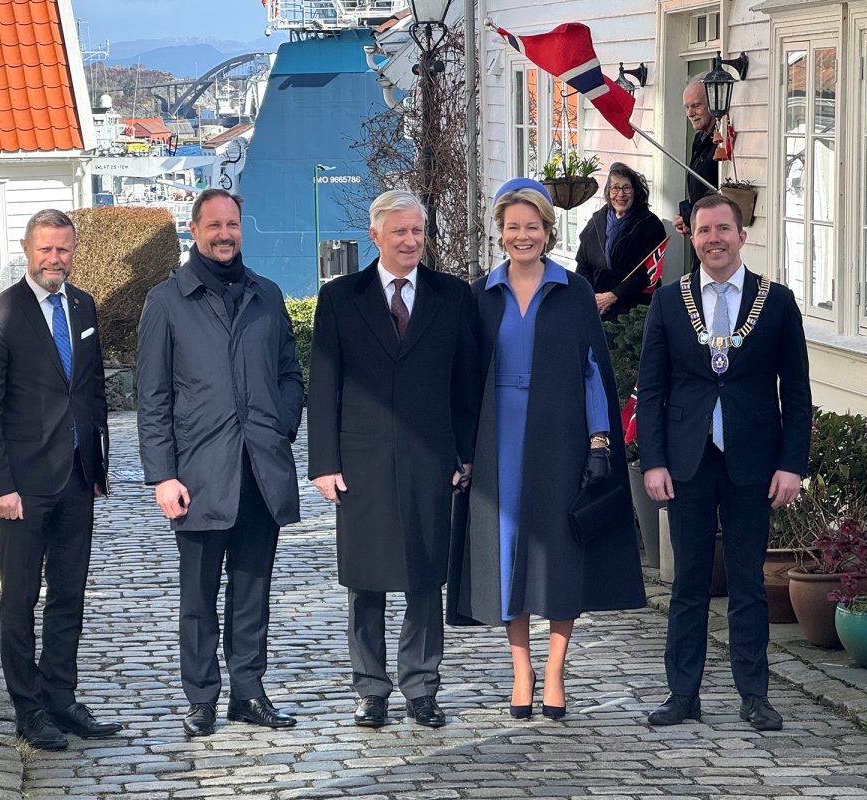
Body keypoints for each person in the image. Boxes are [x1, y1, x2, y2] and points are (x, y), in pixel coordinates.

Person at [447, 178, 645, 719]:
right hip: (498, 439)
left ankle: (555, 669)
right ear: (500, 233)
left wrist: (600, 440)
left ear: (548, 231)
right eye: (512, 227)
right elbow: (463, 378)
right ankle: (521, 670)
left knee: (557, 556)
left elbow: (593, 375)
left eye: (531, 227)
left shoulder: (574, 289)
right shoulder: (480, 293)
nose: (522, 236)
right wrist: (460, 451)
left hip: (560, 435)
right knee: (507, 554)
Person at [307, 189, 480, 729]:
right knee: (367, 579)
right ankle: (371, 689)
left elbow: (468, 384)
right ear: (375, 235)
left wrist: (466, 454)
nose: (411, 241)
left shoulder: (452, 296)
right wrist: (323, 462)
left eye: (418, 232)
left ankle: (422, 687)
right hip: (361, 460)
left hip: (432, 459)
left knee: (426, 577)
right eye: (400, 232)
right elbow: (324, 384)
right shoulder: (340, 298)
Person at [638, 193, 811, 731]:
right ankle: (682, 694)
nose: (714, 239)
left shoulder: (776, 302)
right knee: (688, 583)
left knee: (747, 582)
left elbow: (797, 393)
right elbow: (652, 389)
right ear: (691, 236)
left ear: (741, 235)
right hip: (687, 460)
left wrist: (792, 464)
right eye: (704, 230)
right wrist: (654, 460)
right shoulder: (669, 302)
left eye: (723, 229)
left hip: (753, 461)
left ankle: (755, 695)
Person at [136, 188, 304, 738]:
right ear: (195, 229)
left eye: (232, 224)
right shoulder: (167, 301)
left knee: (253, 592)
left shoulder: (267, 295)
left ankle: (248, 693)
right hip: (199, 475)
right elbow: (153, 396)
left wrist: (278, 426)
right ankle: (202, 696)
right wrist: (163, 474)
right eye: (214, 225)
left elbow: (289, 375)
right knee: (199, 597)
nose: (225, 234)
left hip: (260, 471)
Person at [0, 209, 121, 750]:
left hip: (78, 480)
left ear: (72, 251)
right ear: (27, 250)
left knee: (69, 597)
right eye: (46, 250)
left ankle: (61, 696)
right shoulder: (1, 314)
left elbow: (92, 390)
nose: (55, 259)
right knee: (20, 600)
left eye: (63, 250)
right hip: (24, 487)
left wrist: (97, 465)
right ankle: (28, 708)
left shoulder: (82, 305)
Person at [574, 163, 669, 322]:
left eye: (626, 188)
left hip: (631, 310)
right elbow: (582, 264)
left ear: (635, 191)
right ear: (608, 192)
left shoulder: (650, 225)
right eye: (615, 188)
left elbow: (646, 273)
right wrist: (592, 296)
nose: (621, 194)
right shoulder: (596, 221)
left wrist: (614, 295)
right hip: (595, 305)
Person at [672, 80, 720, 269]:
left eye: (696, 105)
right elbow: (698, 191)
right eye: (687, 107)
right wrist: (687, 219)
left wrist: (690, 218)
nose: (690, 113)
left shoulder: (722, 138)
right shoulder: (699, 139)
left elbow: (716, 193)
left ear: (713, 103)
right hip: (698, 232)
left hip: (716, 237)